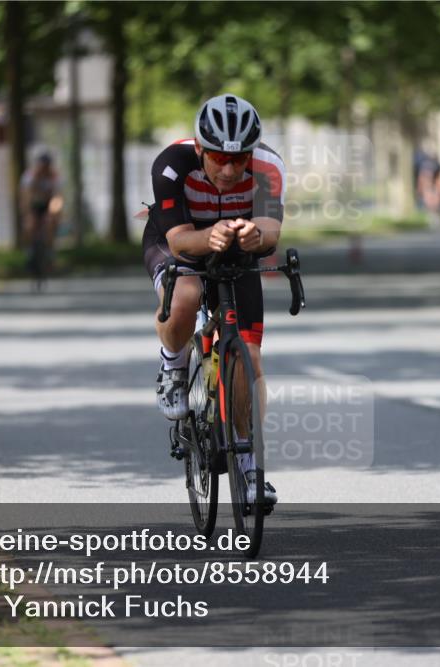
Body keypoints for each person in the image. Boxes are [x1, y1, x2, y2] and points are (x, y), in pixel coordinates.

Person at [143, 94, 285, 506]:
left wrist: (256, 236)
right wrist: (209, 238)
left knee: (251, 358)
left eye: (239, 159)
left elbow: (271, 229)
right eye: (218, 158)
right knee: (185, 293)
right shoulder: (171, 165)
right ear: (200, 148)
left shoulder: (269, 167)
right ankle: (172, 365)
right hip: (178, 239)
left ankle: (249, 467)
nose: (228, 169)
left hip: (238, 245)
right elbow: (179, 239)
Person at [19, 149, 63, 290]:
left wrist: (54, 213)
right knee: (29, 225)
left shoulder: (54, 176)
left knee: (50, 221)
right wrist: (27, 213)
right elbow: (25, 196)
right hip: (33, 205)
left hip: (48, 205)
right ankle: (29, 250)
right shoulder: (29, 176)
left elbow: (58, 197)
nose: (44, 168)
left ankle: (49, 249)